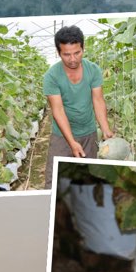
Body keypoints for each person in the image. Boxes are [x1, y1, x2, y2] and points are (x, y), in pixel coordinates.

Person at [43, 26, 113, 188]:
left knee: (89, 178)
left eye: (77, 53)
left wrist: (106, 129)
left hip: (89, 133)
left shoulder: (93, 70)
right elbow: (58, 111)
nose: (73, 59)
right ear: (58, 52)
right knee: (54, 180)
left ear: (83, 48)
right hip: (62, 136)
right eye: (66, 54)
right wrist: (72, 142)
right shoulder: (52, 76)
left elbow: (98, 100)